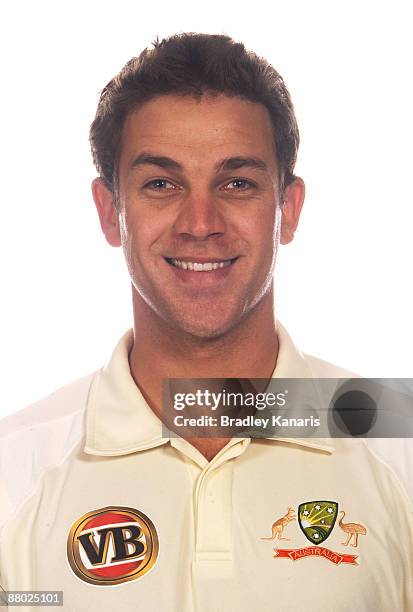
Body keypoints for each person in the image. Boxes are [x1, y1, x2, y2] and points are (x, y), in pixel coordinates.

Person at [0, 33, 412, 612]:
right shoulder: (13, 473)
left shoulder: (397, 441)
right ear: (109, 211)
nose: (200, 222)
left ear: (287, 210)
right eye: (161, 184)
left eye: (237, 183)